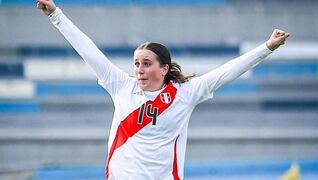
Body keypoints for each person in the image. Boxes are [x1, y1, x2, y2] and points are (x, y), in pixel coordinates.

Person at [36, 0, 290, 179]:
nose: (139, 69)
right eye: (136, 63)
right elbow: (88, 50)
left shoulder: (186, 93)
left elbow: (228, 70)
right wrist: (55, 14)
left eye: (146, 64)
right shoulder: (121, 86)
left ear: (164, 68)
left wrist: (267, 47)